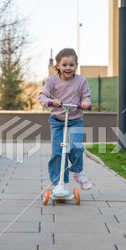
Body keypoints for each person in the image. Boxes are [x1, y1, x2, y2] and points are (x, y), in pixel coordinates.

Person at [38, 48, 92, 190]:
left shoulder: (81, 81)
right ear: (57, 66)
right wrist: (50, 102)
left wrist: (86, 103)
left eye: (71, 65)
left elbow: (86, 96)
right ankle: (58, 183)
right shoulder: (52, 81)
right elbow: (42, 96)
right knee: (58, 151)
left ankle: (78, 172)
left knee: (76, 146)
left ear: (76, 65)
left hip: (75, 120)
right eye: (64, 64)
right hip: (57, 121)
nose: (68, 68)